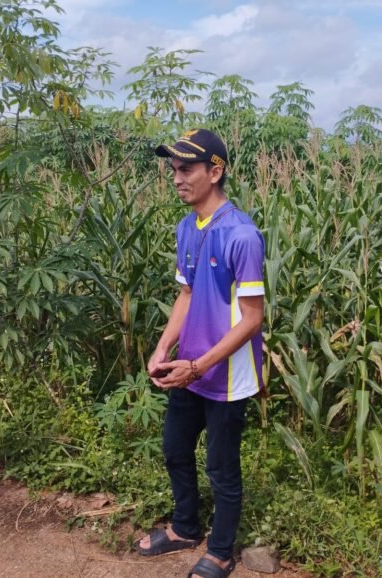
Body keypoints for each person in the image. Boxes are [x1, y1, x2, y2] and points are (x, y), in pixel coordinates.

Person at [135, 129, 265, 578]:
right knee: (175, 449)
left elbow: (252, 319)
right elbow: (187, 295)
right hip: (187, 367)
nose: (177, 178)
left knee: (221, 467)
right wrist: (162, 347)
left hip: (225, 375)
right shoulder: (186, 228)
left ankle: (222, 551)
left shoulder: (241, 235)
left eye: (186, 169)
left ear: (215, 171)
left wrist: (198, 367)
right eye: (173, 169)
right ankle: (185, 527)